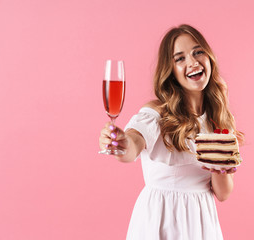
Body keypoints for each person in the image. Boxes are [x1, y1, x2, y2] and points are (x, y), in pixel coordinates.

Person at [99, 24, 244, 240]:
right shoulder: (157, 113)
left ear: (209, 57)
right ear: (171, 71)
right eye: (180, 58)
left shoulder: (219, 119)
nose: (193, 62)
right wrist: (122, 144)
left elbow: (222, 193)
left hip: (202, 223)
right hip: (161, 219)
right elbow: (133, 143)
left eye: (198, 52)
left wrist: (218, 161)